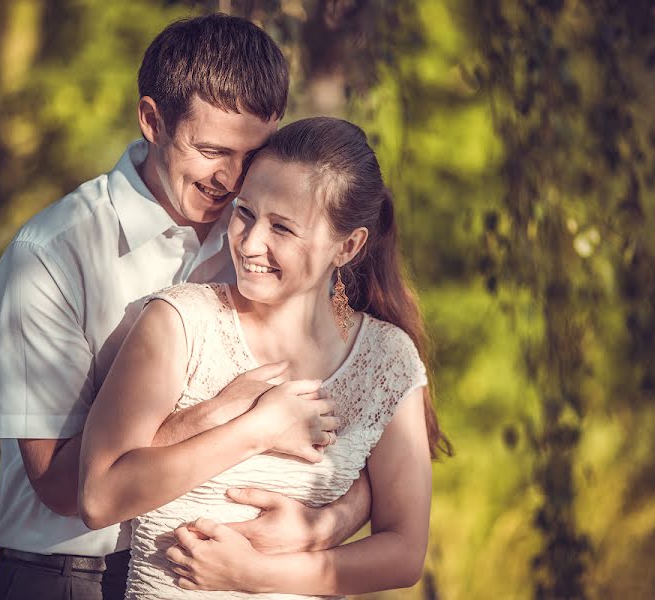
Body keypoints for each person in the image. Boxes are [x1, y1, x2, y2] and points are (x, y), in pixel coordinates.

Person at [0, 15, 371, 600]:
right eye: (212, 150)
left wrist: (326, 524)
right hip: (71, 578)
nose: (233, 179)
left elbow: (365, 436)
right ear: (152, 120)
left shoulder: (265, 244)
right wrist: (226, 417)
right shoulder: (49, 257)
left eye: (251, 153)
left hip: (212, 575)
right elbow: (62, 488)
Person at [79, 117, 449, 599]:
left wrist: (254, 574)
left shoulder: (387, 360)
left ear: (349, 246)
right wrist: (255, 430)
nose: (251, 244)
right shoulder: (179, 323)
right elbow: (98, 497)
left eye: (283, 228)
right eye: (245, 213)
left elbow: (403, 552)